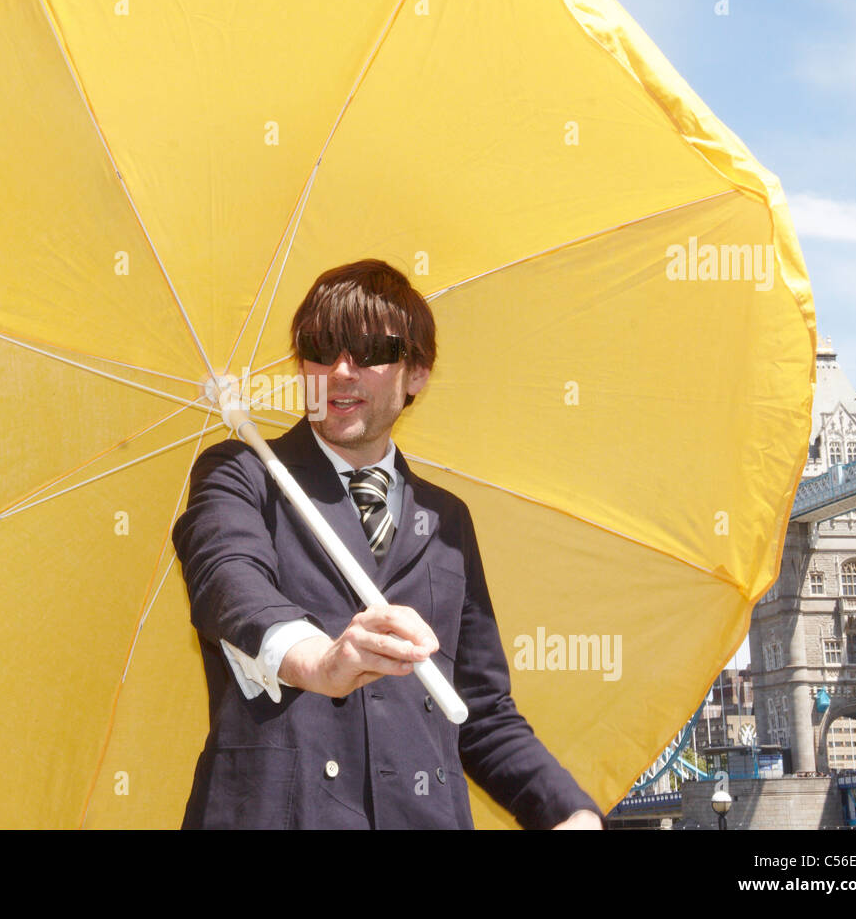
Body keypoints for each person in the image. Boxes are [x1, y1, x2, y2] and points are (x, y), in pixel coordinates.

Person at [171, 259, 603, 829]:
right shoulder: (240, 475)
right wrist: (320, 662)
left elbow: (481, 713)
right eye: (321, 346)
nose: (341, 371)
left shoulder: (448, 520)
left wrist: (567, 811)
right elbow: (229, 582)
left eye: (370, 349)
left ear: (417, 372)